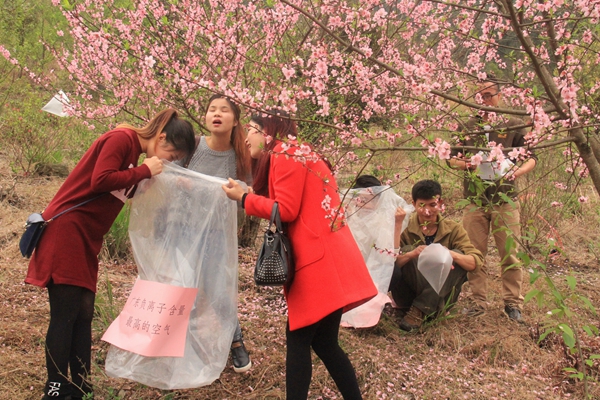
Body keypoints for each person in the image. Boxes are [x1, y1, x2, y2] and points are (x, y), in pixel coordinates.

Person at [25, 109, 196, 400]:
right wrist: (144, 171)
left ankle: (81, 386)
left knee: (84, 314)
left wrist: (167, 182)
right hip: (66, 232)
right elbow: (100, 180)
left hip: (87, 239)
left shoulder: (135, 156)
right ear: (162, 137)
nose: (168, 161)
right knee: (65, 314)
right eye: (172, 155)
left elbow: (125, 186)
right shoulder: (121, 138)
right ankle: (54, 389)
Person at [222, 111, 377, 400]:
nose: (245, 139)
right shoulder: (301, 152)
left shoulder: (286, 154)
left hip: (316, 262)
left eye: (251, 131)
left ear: (268, 132)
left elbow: (287, 210)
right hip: (329, 255)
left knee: (298, 338)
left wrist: (244, 199)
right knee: (326, 344)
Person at [447, 77, 537, 322]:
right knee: (475, 253)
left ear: (499, 96)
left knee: (510, 253)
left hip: (505, 198)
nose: (484, 100)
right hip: (474, 200)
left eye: (489, 95)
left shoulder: (513, 124)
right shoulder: (466, 126)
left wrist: (515, 171)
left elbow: (531, 157)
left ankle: (512, 303)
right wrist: (466, 164)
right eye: (480, 96)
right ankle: (478, 301)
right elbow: (449, 158)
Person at [181, 94, 253, 373]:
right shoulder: (194, 146)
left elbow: (248, 194)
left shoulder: (241, 156)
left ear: (235, 120)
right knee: (185, 287)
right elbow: (172, 175)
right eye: (211, 109)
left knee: (217, 289)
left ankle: (235, 341)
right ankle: (184, 344)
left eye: (224, 110)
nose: (217, 114)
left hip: (217, 235)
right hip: (184, 229)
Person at [388, 180, 484, 331]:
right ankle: (421, 307)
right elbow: (389, 264)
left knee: (459, 256)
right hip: (409, 293)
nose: (427, 211)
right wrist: (412, 254)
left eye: (432, 205)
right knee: (406, 250)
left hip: (442, 297)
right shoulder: (405, 227)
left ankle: (420, 309)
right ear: (413, 204)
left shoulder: (453, 229)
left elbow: (475, 263)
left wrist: (449, 254)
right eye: (422, 205)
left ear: (440, 203)